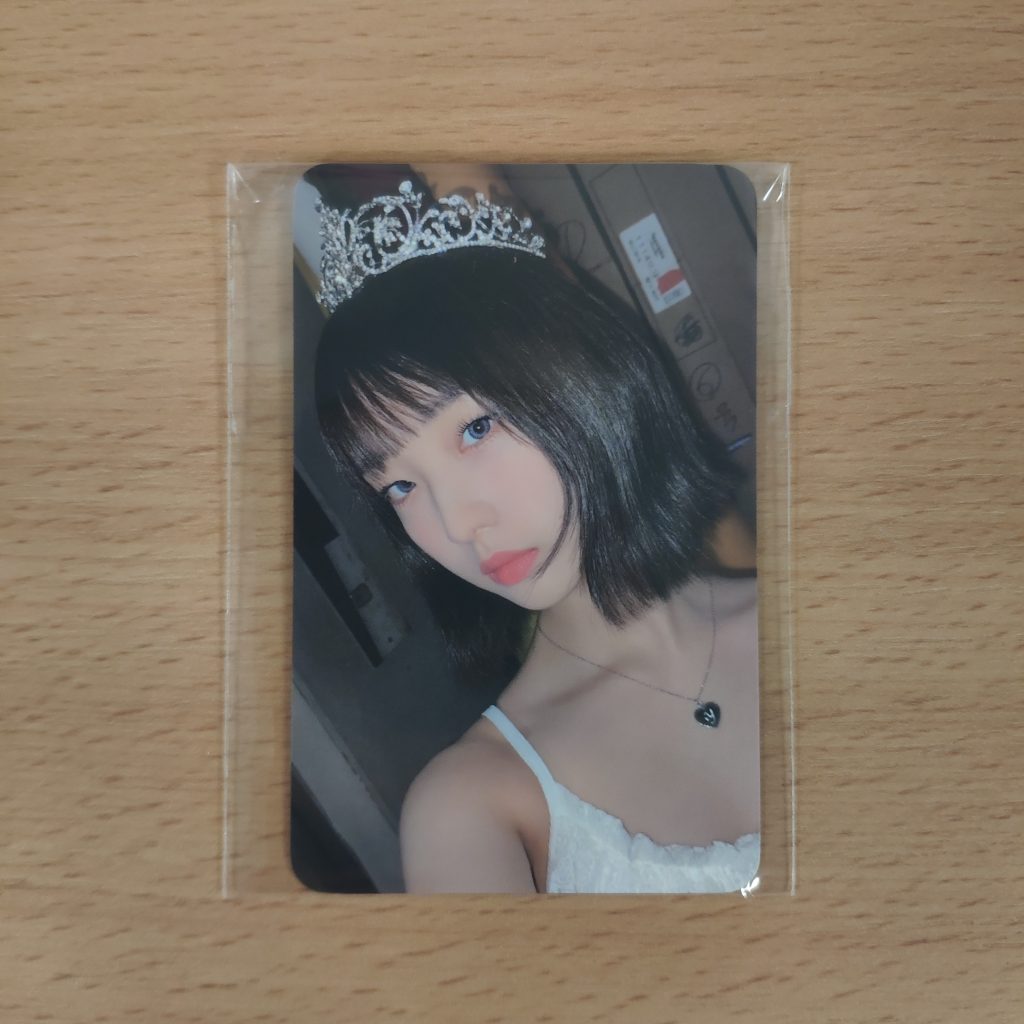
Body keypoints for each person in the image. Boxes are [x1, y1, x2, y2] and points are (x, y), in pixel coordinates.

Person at [314, 176, 760, 893]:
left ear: (583, 374)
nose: (458, 525)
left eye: (475, 428)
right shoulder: (472, 804)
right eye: (398, 487)